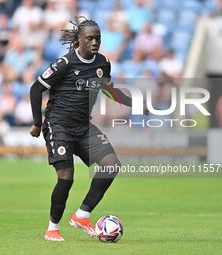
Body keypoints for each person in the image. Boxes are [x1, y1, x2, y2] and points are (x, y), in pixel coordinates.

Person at [29, 18, 147, 241]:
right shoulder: (64, 63)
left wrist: (138, 104)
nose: (95, 42)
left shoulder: (102, 64)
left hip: (83, 126)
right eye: (90, 38)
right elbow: (36, 89)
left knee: (111, 166)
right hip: (58, 124)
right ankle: (52, 228)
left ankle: (82, 215)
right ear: (79, 40)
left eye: (98, 38)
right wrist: (37, 122)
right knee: (66, 177)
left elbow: (109, 91)